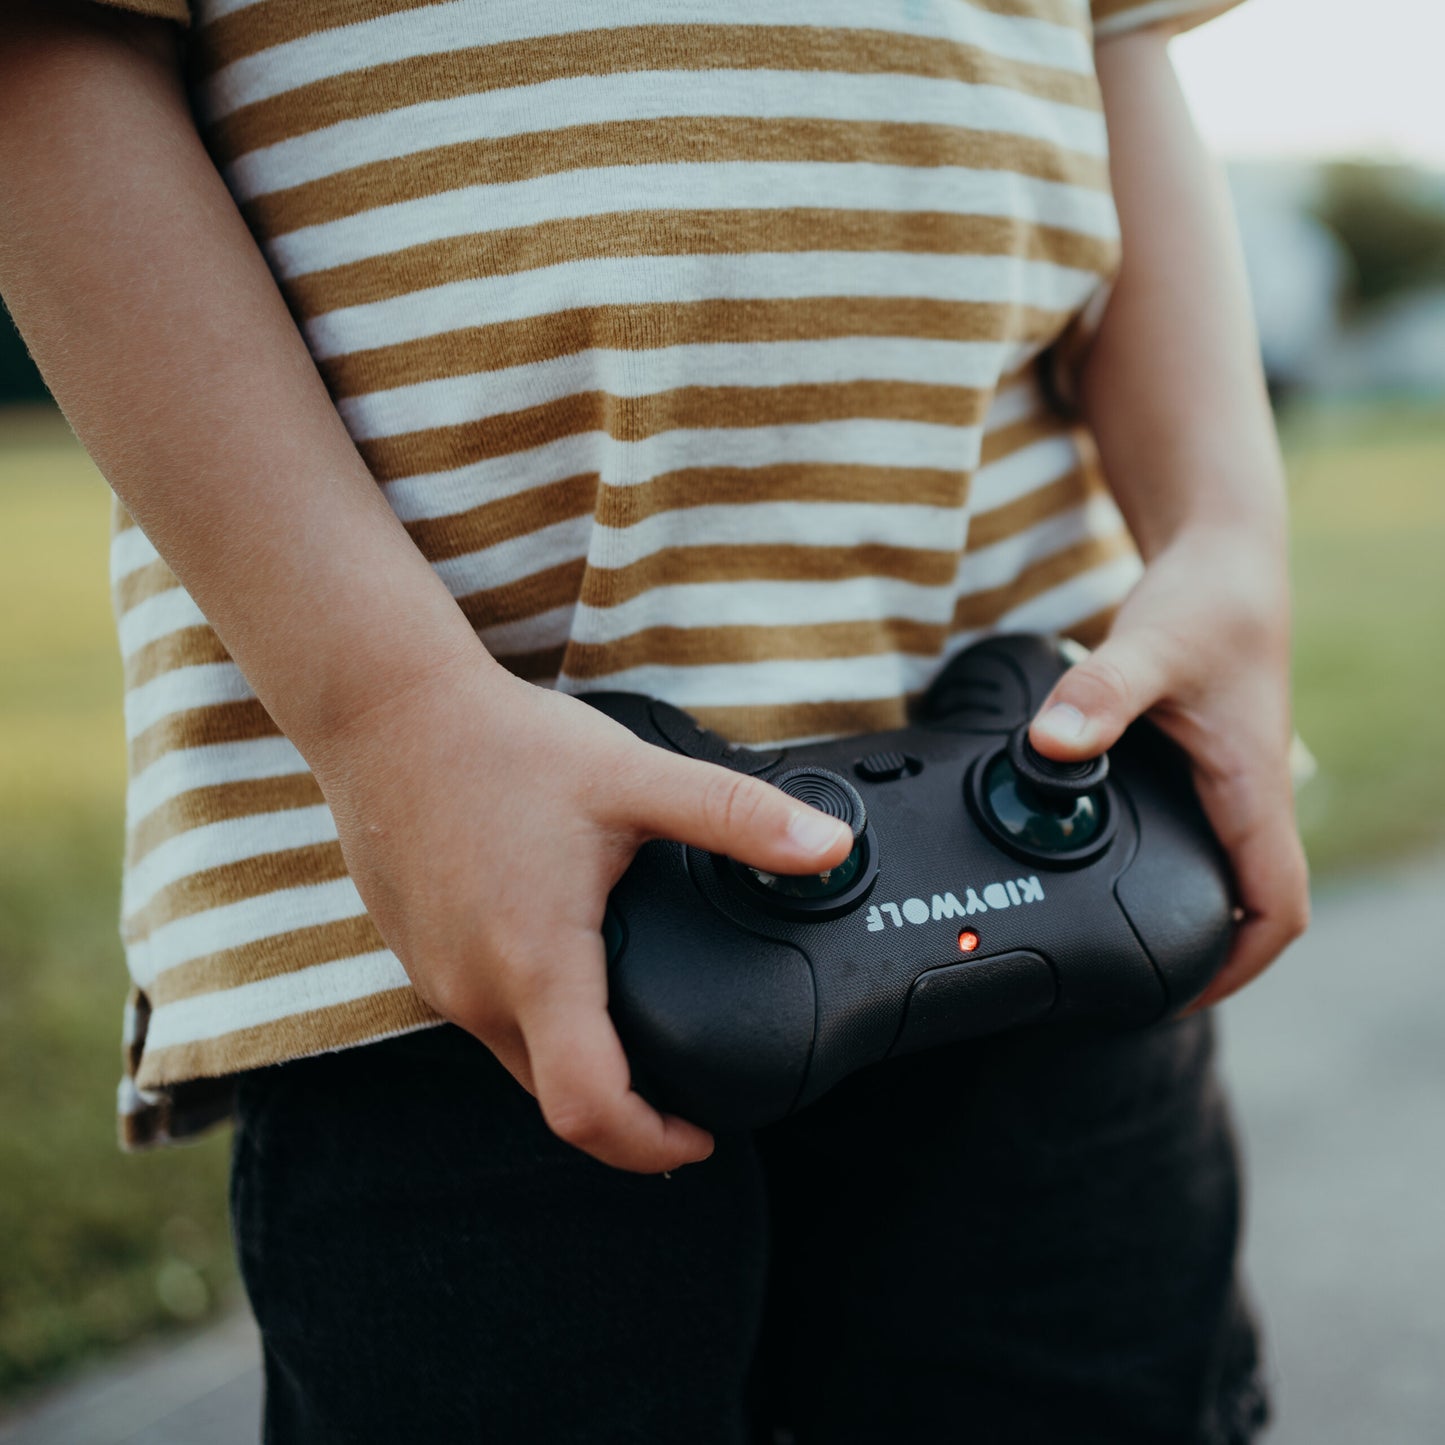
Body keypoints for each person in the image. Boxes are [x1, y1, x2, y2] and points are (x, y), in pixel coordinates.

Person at [0, 0, 1309, 1439]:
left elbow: (1120, 41)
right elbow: (46, 53)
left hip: (1050, 796)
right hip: (460, 888)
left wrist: (1224, 538)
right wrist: (389, 710)